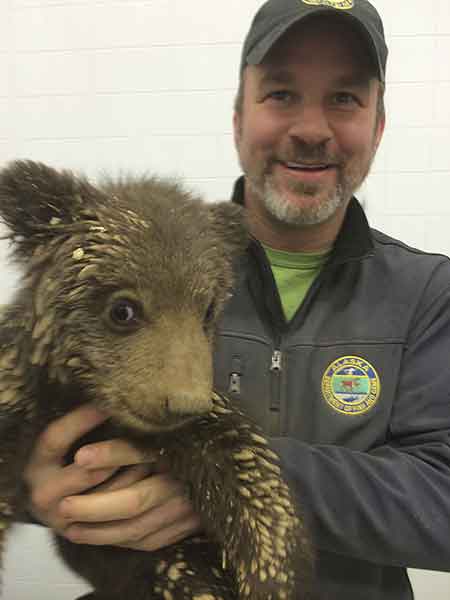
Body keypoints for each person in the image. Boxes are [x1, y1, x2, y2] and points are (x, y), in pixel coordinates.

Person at [24, 1, 450, 598]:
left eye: (345, 99)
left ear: (378, 127)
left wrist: (219, 479)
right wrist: (33, 488)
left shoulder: (431, 293)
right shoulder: (139, 265)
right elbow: (30, 408)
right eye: (280, 94)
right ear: (237, 119)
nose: (310, 128)